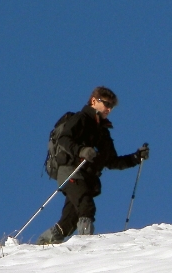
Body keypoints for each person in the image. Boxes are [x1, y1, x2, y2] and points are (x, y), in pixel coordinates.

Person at [36, 87, 149, 244]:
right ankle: (86, 245)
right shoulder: (80, 118)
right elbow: (64, 139)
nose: (109, 109)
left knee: (69, 221)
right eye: (106, 104)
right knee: (86, 207)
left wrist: (136, 157)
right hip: (70, 171)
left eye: (112, 106)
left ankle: (45, 242)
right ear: (94, 101)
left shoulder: (103, 132)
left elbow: (111, 161)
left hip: (87, 178)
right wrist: (81, 150)